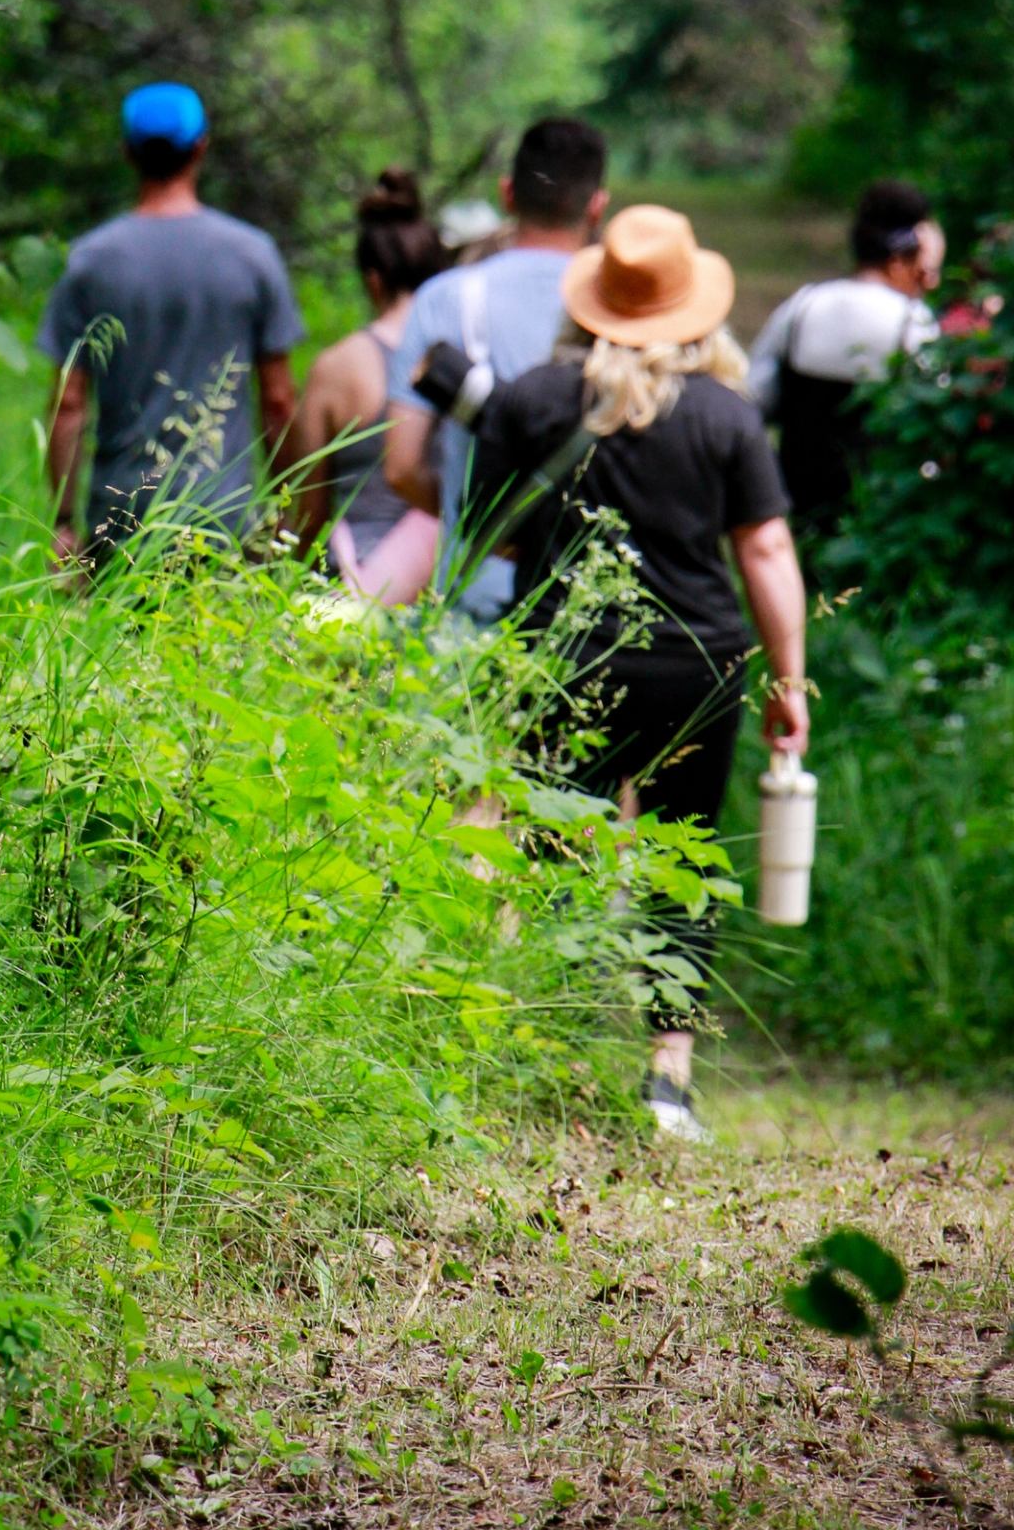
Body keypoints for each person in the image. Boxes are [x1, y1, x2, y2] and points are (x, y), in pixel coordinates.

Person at [465, 205, 809, 1143]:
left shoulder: (532, 400)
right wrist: (789, 681)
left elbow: (484, 534)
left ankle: (559, 1057)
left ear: (593, 302)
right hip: (695, 665)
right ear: (692, 307)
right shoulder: (727, 413)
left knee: (552, 856)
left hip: (564, 661)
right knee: (680, 857)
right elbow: (768, 549)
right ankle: (667, 1082)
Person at [37, 83, 304, 560]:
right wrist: (286, 507)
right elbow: (279, 400)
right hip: (223, 515)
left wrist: (64, 522)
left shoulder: (91, 261)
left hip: (121, 517)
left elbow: (70, 404)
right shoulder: (252, 255)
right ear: (201, 148)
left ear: (127, 153)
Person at [384, 117, 610, 621]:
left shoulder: (446, 298)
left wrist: (481, 523)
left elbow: (400, 467)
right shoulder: (620, 311)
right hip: (589, 597)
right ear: (598, 206)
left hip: (474, 581)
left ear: (507, 195)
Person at [748, 178, 946, 537]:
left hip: (799, 507)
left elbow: (754, 397)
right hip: (883, 519)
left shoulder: (804, 305)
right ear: (902, 260)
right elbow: (938, 420)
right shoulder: (912, 323)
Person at [286, 169, 448, 605]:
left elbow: (307, 509)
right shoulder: (463, 357)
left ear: (373, 280)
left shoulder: (339, 366)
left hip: (357, 588)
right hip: (447, 590)